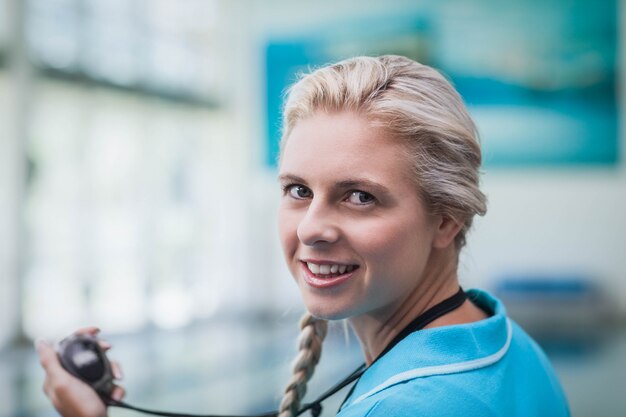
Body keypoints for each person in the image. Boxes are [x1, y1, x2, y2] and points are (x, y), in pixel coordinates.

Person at [37, 55, 570, 417]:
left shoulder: (407, 406)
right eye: (297, 189)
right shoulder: (503, 341)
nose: (312, 227)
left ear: (446, 218)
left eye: (359, 196)